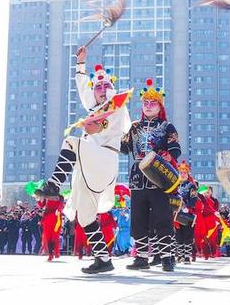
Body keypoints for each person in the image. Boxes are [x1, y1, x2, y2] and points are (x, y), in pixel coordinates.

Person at [35, 49, 131, 274]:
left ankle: (54, 185)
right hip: (89, 164)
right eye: (97, 87)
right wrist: (80, 64)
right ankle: (104, 259)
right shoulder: (95, 108)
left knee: (70, 141)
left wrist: (95, 125)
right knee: (85, 216)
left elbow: (104, 125)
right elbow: (82, 88)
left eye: (105, 86)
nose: (101, 90)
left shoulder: (117, 106)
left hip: (105, 158)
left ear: (112, 88)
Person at [121, 78, 180, 272]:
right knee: (138, 218)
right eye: (145, 103)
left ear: (160, 106)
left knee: (162, 217)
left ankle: (167, 257)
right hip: (138, 176)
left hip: (158, 175)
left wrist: (168, 155)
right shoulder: (134, 126)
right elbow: (123, 148)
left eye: (152, 103)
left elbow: (175, 149)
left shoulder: (167, 126)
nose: (148, 106)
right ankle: (141, 258)